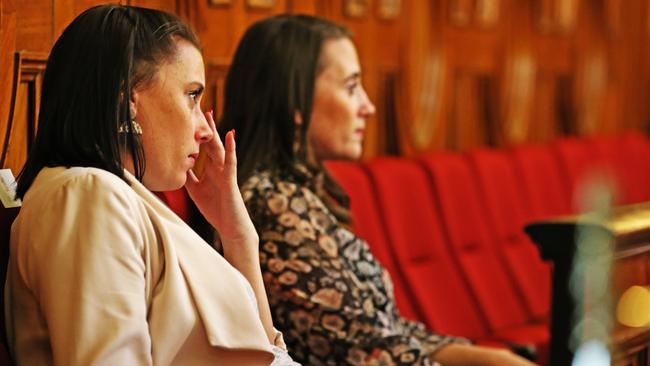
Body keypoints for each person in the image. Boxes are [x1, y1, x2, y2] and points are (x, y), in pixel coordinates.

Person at [217, 14, 537, 366]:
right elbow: (368, 354)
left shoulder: (301, 193)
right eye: (352, 87)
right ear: (296, 103)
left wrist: (491, 359)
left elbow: (387, 333)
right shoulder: (272, 206)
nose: (368, 107)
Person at [7, 5, 298, 365]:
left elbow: (267, 354)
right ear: (125, 100)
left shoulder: (115, 195)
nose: (207, 129)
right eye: (192, 96)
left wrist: (238, 239)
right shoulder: (87, 194)